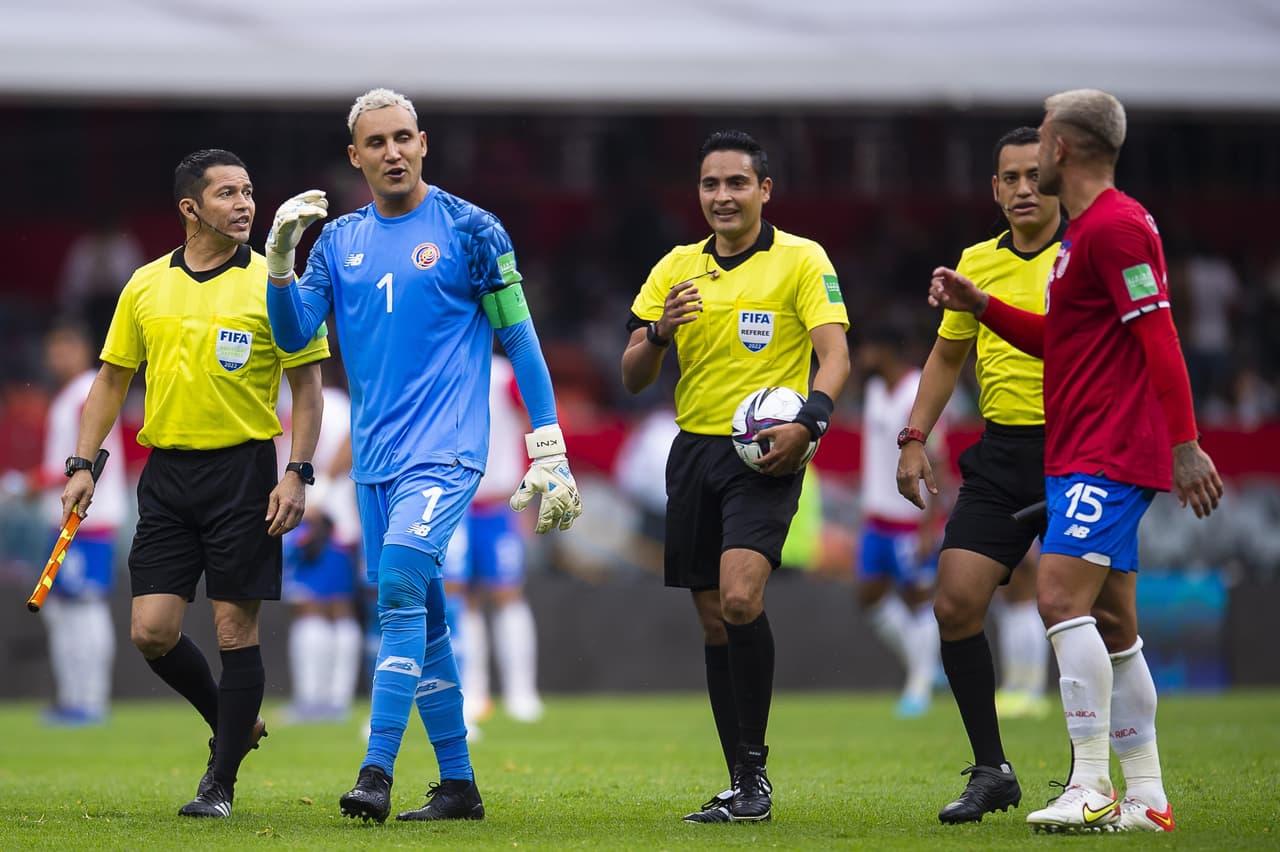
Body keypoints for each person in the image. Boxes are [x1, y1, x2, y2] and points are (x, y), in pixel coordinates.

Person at [265, 87, 582, 825]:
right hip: (374, 463)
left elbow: (521, 337)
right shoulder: (338, 241)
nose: (393, 152)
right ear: (356, 156)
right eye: (376, 143)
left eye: (404, 137)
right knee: (426, 614)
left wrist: (549, 443)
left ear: (424, 142)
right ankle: (460, 785)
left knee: (401, 589)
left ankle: (375, 771)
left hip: (447, 456)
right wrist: (279, 259)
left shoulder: (473, 229)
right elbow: (293, 332)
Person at [928, 89, 1223, 833]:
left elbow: (1160, 339)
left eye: (1042, 146)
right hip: (1080, 447)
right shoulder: (1090, 234)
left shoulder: (1114, 230)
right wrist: (983, 304)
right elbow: (1065, 339)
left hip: (1109, 448)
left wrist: (1186, 446)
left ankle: (1089, 782)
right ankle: (1148, 797)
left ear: (1059, 148)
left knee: (1059, 598)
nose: (1028, 175)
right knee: (1116, 623)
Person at [61, 149, 329, 818]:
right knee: (150, 631)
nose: (245, 205)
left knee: (236, 629)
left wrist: (296, 472)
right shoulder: (146, 284)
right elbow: (112, 380)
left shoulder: (277, 285)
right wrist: (81, 463)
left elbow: (308, 386)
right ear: (190, 209)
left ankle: (220, 783)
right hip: (168, 475)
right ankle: (233, 723)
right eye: (227, 194)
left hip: (244, 472)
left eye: (248, 192)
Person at [621, 129, 850, 824]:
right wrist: (659, 332)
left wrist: (809, 422)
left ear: (764, 190)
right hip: (694, 453)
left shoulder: (801, 260)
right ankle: (741, 784)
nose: (723, 196)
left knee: (741, 600)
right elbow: (632, 374)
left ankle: (754, 772)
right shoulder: (675, 268)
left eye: (736, 184)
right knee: (716, 621)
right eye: (711, 185)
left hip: (767, 452)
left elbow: (835, 355)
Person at [897, 126, 1062, 824]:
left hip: (1077, 451)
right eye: (1010, 178)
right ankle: (993, 769)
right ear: (994, 188)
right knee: (955, 603)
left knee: (1090, 611)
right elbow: (945, 358)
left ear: (1056, 178)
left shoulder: (1085, 256)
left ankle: (1117, 775)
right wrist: (913, 436)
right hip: (1001, 455)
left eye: (1035, 175)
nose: (1023, 188)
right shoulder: (975, 263)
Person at [34, 319, 129, 725]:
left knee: (84, 605)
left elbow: (81, 463)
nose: (57, 357)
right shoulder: (69, 396)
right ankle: (74, 696)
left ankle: (90, 699)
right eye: (52, 349)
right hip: (65, 517)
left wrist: (30, 482)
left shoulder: (87, 393)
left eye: (65, 348)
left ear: (83, 349)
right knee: (63, 608)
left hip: (88, 517)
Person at [444, 354, 545, 727]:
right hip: (453, 499)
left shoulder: (504, 373)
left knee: (507, 592)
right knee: (458, 595)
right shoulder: (441, 365)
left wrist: (532, 486)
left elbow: (533, 420)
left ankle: (522, 692)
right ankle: (473, 691)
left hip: (497, 499)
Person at [855, 324, 944, 719]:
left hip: (911, 519)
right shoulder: (874, 392)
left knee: (918, 598)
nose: (860, 357)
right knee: (870, 595)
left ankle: (919, 683)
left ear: (882, 349)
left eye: (866, 348)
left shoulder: (916, 393)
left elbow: (936, 459)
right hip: (876, 517)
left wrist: (930, 525)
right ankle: (926, 665)